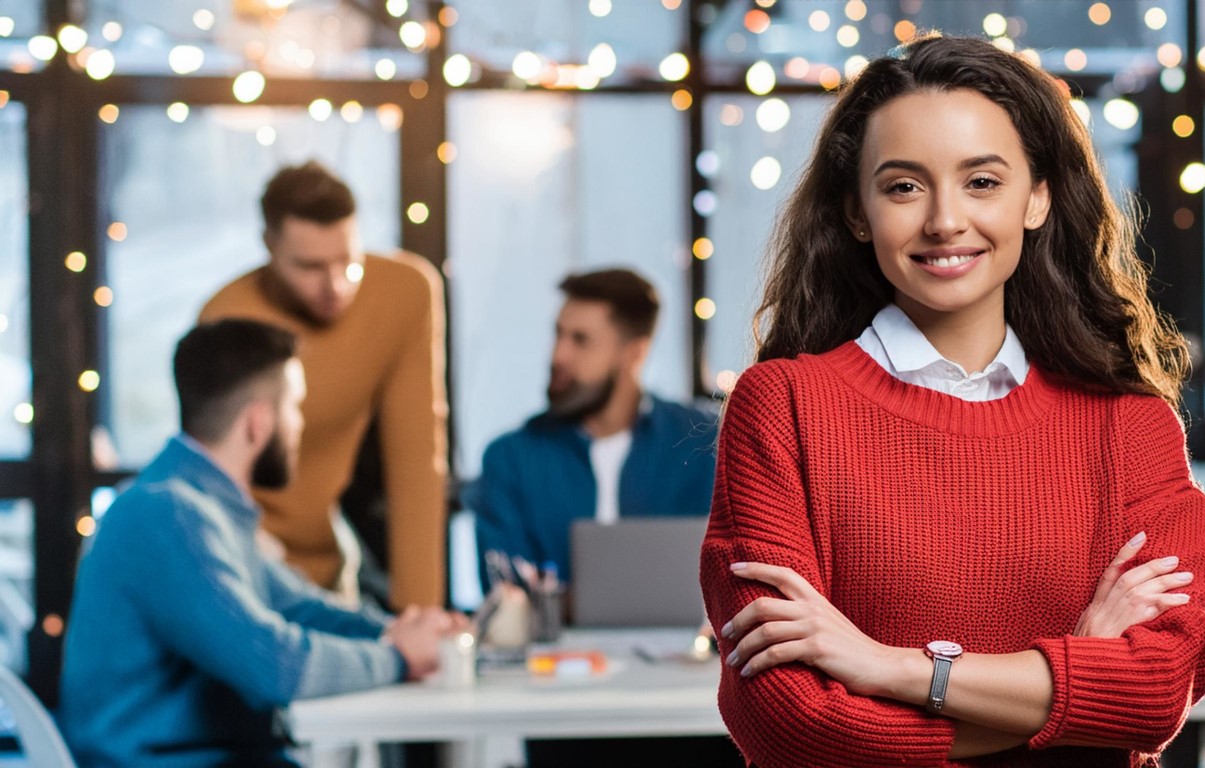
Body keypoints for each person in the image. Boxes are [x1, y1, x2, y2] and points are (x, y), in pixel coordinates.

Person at [699, 34, 1205, 767]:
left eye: (982, 181)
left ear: (1037, 196)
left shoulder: (1128, 426)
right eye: (903, 186)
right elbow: (791, 723)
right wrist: (1074, 682)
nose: (945, 220)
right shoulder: (783, 407)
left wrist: (888, 667)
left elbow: (1157, 688)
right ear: (858, 212)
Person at [59, 319, 463, 768]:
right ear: (258, 422)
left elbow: (299, 608)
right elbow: (274, 666)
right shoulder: (169, 514)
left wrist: (397, 631)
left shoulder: (197, 504)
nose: (300, 425)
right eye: (295, 407)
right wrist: (396, 657)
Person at [200, 161, 447, 610]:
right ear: (269, 247)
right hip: (246, 568)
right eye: (310, 266)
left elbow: (416, 464)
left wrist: (423, 615)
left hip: (332, 567)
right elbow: (214, 478)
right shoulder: (228, 317)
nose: (335, 285)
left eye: (347, 262)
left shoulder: (404, 293)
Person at [473, 268, 717, 584]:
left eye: (580, 340)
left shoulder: (703, 441)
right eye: (558, 334)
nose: (558, 355)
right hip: (552, 636)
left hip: (685, 635)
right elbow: (504, 593)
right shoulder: (509, 458)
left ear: (634, 353)